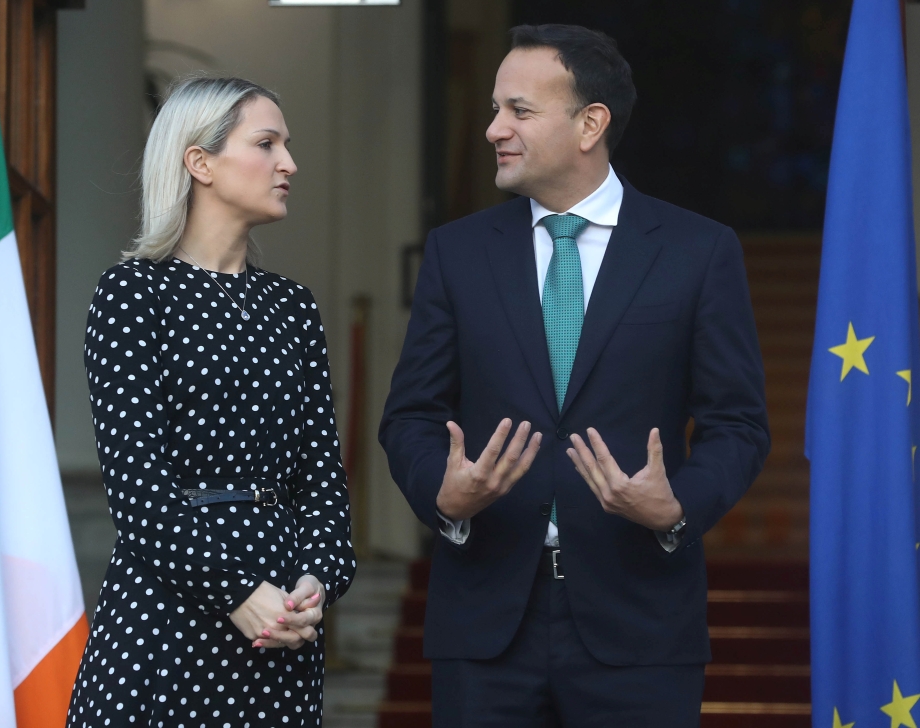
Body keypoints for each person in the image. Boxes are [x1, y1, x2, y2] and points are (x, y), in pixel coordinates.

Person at [380, 24, 769, 727]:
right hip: (485, 626)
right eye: (495, 109)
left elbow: (737, 424)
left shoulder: (698, 251)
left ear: (591, 123)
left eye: (519, 111)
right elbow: (409, 415)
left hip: (641, 625)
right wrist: (442, 489)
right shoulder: (457, 253)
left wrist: (675, 505)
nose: (494, 127)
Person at [67, 76, 356, 727]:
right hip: (165, 623)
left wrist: (317, 582)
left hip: (282, 628)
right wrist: (237, 592)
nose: (290, 163)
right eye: (267, 143)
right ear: (199, 161)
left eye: (287, 145)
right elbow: (138, 489)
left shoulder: (293, 307)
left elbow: (323, 479)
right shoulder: (132, 294)